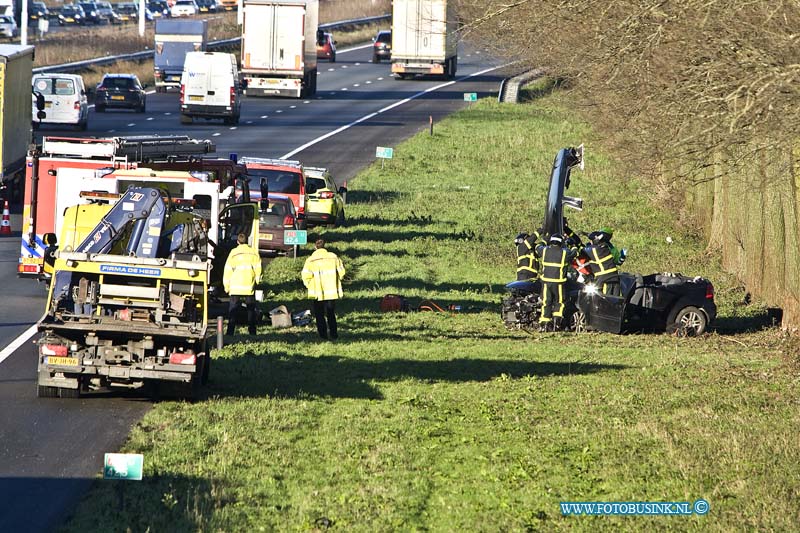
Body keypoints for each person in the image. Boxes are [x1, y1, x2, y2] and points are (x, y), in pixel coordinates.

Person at [302, 239, 346, 340]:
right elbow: (342, 273)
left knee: (319, 314)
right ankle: (334, 334)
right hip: (331, 291)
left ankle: (323, 335)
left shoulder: (311, 260)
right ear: (324, 246)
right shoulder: (334, 257)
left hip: (317, 292)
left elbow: (306, 276)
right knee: (331, 313)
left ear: (315, 247)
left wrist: (310, 286)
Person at [223, 232, 262, 335]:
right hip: (249, 285)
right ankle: (252, 330)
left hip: (235, 286)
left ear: (237, 242)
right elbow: (258, 268)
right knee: (250, 309)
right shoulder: (253, 252)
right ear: (247, 241)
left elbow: (228, 270)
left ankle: (230, 331)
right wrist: (257, 281)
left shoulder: (233, 253)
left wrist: (226, 286)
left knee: (233, 309)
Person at [535, 234, 576, 331]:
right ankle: (557, 323)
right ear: (561, 242)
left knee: (546, 302)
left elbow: (537, 247)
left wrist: (544, 240)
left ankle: (544, 324)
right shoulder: (564, 252)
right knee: (559, 302)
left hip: (546, 282)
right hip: (559, 283)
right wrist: (572, 244)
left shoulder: (544, 250)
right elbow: (574, 253)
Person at [585, 228, 623, 296]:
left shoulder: (594, 250)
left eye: (591, 241)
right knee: (615, 300)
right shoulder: (606, 247)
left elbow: (581, 250)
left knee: (605, 300)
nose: (590, 242)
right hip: (615, 278)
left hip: (605, 280)